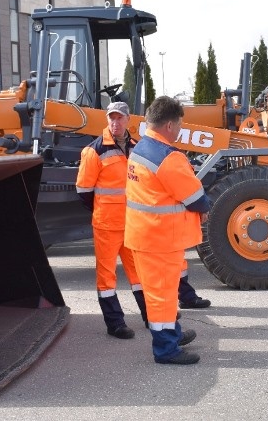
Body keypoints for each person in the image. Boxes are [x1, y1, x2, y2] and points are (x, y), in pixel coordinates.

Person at [124, 96, 211, 364]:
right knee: (162, 296)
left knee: (159, 293)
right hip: (161, 239)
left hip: (144, 235)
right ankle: (166, 350)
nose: (181, 130)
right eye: (181, 125)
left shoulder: (139, 150)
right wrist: (204, 209)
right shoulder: (168, 158)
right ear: (170, 125)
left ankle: (170, 334)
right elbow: (196, 198)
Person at [76, 101, 144, 339]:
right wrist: (103, 211)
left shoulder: (137, 148)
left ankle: (151, 315)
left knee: (139, 273)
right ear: (107, 120)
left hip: (132, 223)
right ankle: (115, 324)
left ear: (128, 121)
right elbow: (84, 191)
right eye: (111, 118)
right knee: (107, 276)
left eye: (119, 118)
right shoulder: (94, 151)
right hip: (107, 225)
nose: (115, 123)